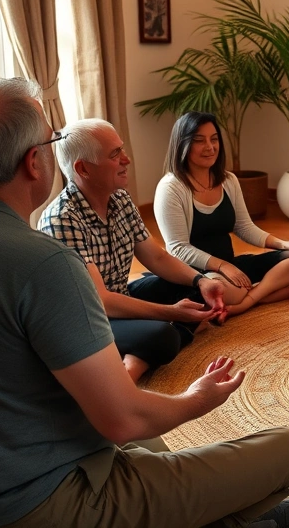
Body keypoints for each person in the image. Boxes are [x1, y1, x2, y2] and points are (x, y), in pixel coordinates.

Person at [0, 77, 289, 528]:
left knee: (151, 448)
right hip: (34, 508)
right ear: (34, 162)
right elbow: (124, 420)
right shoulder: (46, 262)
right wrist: (196, 398)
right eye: (50, 141)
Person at [40, 118, 228, 382]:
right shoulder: (62, 219)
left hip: (120, 296)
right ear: (83, 169)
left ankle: (137, 355)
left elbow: (156, 256)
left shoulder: (119, 198)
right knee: (161, 335)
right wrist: (172, 312)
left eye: (122, 150)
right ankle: (132, 369)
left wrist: (201, 280)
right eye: (116, 154)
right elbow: (102, 302)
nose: (127, 160)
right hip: (84, 322)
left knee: (194, 290)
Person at [154, 112, 289, 317]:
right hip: (198, 276)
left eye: (214, 139)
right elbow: (178, 248)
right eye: (199, 141)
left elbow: (244, 226)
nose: (210, 147)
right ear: (182, 145)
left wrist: (284, 244)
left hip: (231, 267)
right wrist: (222, 266)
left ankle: (249, 300)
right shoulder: (171, 188)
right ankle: (262, 294)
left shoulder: (228, 180)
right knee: (222, 290)